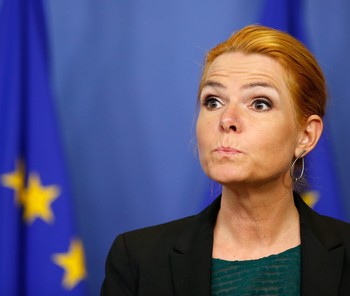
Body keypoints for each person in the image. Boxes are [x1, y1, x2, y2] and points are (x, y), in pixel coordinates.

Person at [101, 25, 350, 295]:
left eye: (259, 103)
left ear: (306, 135)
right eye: (213, 102)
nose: (226, 120)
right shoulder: (137, 259)